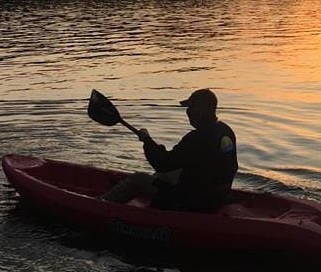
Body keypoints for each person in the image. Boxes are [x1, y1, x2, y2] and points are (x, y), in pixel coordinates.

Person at [100, 88, 238, 212]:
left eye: (191, 107)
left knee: (138, 178)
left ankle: (99, 205)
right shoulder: (225, 131)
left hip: (194, 200)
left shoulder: (196, 138)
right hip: (219, 194)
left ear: (203, 109)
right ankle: (141, 188)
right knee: (167, 174)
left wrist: (147, 141)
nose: (188, 112)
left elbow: (163, 164)